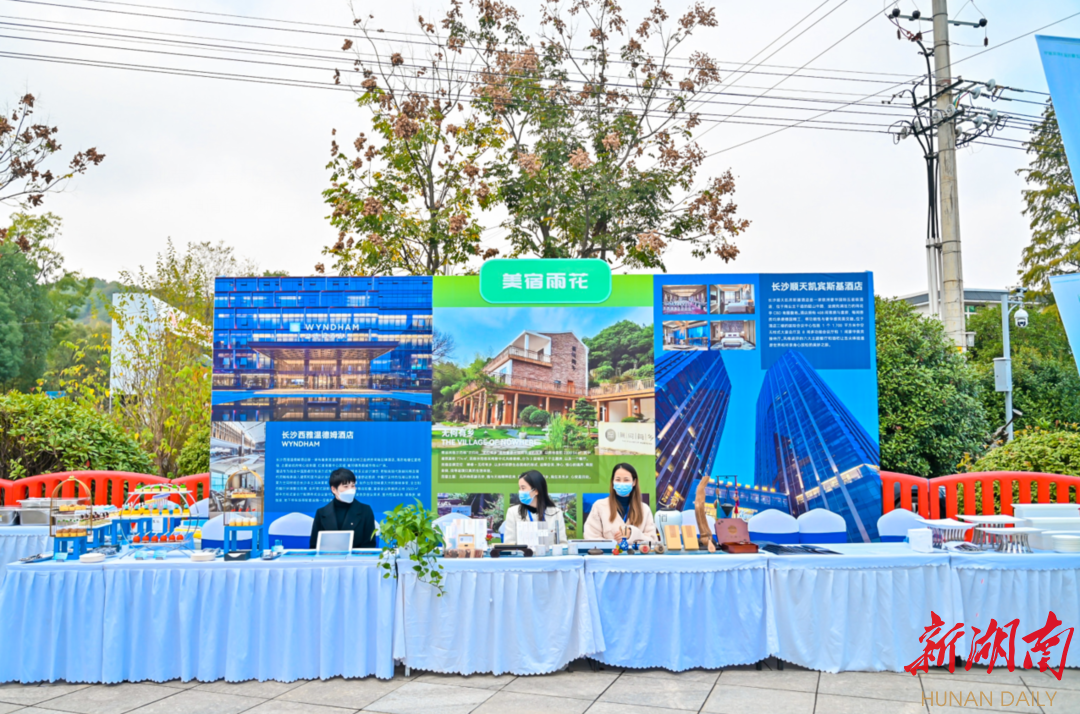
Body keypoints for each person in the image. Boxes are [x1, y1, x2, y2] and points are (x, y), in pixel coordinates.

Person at [583, 462, 657, 543]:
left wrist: (632, 534)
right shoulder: (599, 506)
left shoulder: (644, 509)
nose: (622, 483)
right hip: (609, 555)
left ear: (634, 482)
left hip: (636, 555)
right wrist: (614, 543)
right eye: (618, 479)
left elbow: (653, 540)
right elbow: (590, 537)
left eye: (626, 480)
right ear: (613, 482)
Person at [309, 468, 377, 549]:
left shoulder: (365, 510)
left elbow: (369, 545)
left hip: (357, 560)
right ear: (334, 489)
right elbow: (314, 546)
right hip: (328, 559)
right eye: (346, 486)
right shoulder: (321, 513)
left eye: (353, 486)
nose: (351, 490)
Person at [503, 469, 568, 545]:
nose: (520, 492)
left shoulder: (556, 513)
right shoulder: (513, 512)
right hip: (523, 556)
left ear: (536, 491)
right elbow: (509, 544)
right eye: (519, 488)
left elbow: (563, 543)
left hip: (549, 556)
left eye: (523, 488)